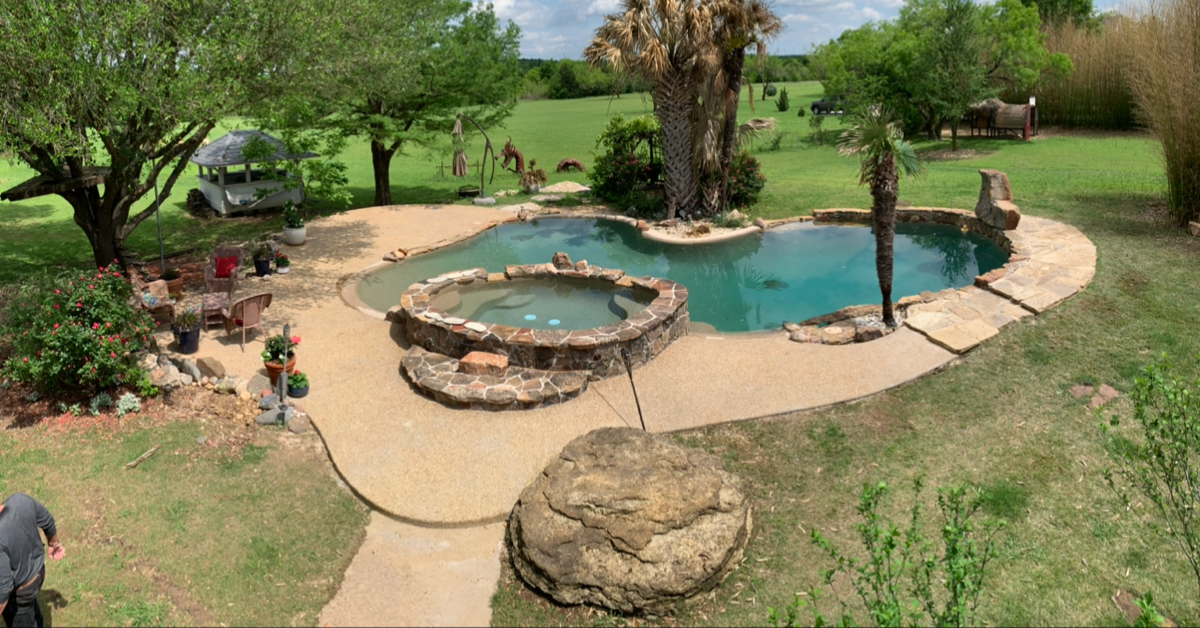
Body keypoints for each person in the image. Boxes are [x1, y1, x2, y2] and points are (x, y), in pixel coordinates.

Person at [0, 494, 63, 628]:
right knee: (31, 612)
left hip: (21, 591)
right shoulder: (20, 500)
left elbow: (4, 587)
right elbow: (47, 520)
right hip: (39, 572)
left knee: (23, 617)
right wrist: (53, 544)